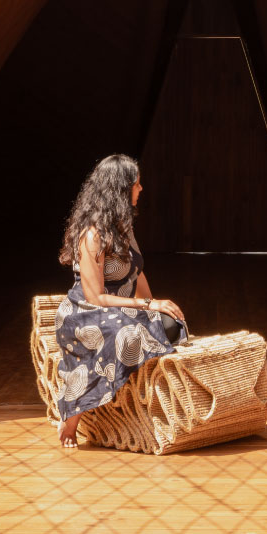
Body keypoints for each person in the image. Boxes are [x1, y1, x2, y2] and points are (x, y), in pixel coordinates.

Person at [51, 153, 187, 448]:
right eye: (136, 185)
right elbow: (95, 297)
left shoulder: (123, 227)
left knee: (170, 326)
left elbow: (137, 274)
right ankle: (73, 411)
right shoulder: (92, 235)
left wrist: (155, 307)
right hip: (84, 314)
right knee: (127, 335)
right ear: (120, 190)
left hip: (118, 310)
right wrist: (147, 307)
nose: (141, 189)